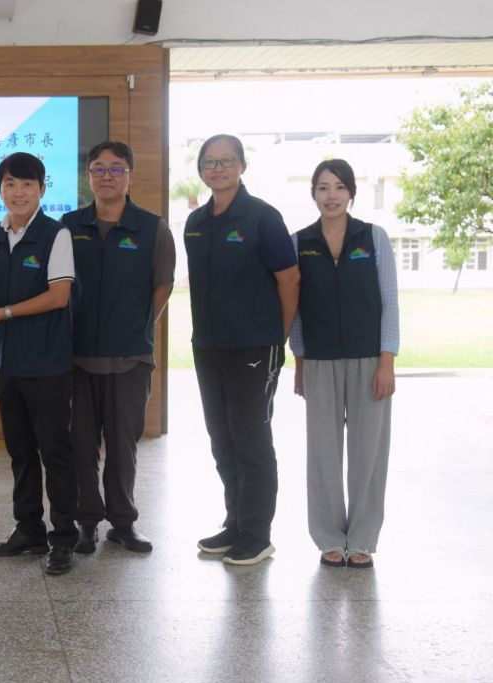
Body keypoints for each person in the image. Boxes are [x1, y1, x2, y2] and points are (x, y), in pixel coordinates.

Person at [184, 134, 300, 566]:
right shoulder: (195, 222)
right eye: (210, 162)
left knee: (251, 440)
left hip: (254, 346)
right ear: (201, 169)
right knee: (222, 438)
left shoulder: (263, 217)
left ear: (241, 166)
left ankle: (256, 534)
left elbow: (289, 279)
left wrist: (276, 336)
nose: (218, 168)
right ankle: (235, 523)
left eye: (226, 161)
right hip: (208, 346)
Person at [60, 141, 175, 555]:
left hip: (130, 357)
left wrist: (139, 325)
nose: (106, 176)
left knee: (124, 446)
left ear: (130, 175)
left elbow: (163, 284)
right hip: (76, 357)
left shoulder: (152, 227)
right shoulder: (68, 226)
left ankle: (123, 522)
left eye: (116, 168)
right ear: (88, 175)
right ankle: (86, 522)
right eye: (98, 168)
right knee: (81, 444)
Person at [0, 152, 78, 575]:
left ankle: (64, 538)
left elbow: (59, 296)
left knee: (55, 452)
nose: (18, 192)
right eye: (10, 184)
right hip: (8, 362)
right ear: (0, 189)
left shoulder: (57, 234)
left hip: (47, 364)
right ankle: (29, 530)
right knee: (20, 451)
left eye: (27, 184)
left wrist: (2, 313)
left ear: (42, 189)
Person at [290, 159, 399, 570]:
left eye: (338, 187)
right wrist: (300, 360)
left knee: (369, 451)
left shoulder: (373, 238)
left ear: (351, 192)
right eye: (323, 187)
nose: (331, 195)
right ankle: (330, 537)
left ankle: (364, 538)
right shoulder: (300, 242)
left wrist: (387, 361)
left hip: (369, 360)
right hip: (319, 361)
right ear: (314, 194)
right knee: (323, 452)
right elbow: (295, 310)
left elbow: (390, 303)